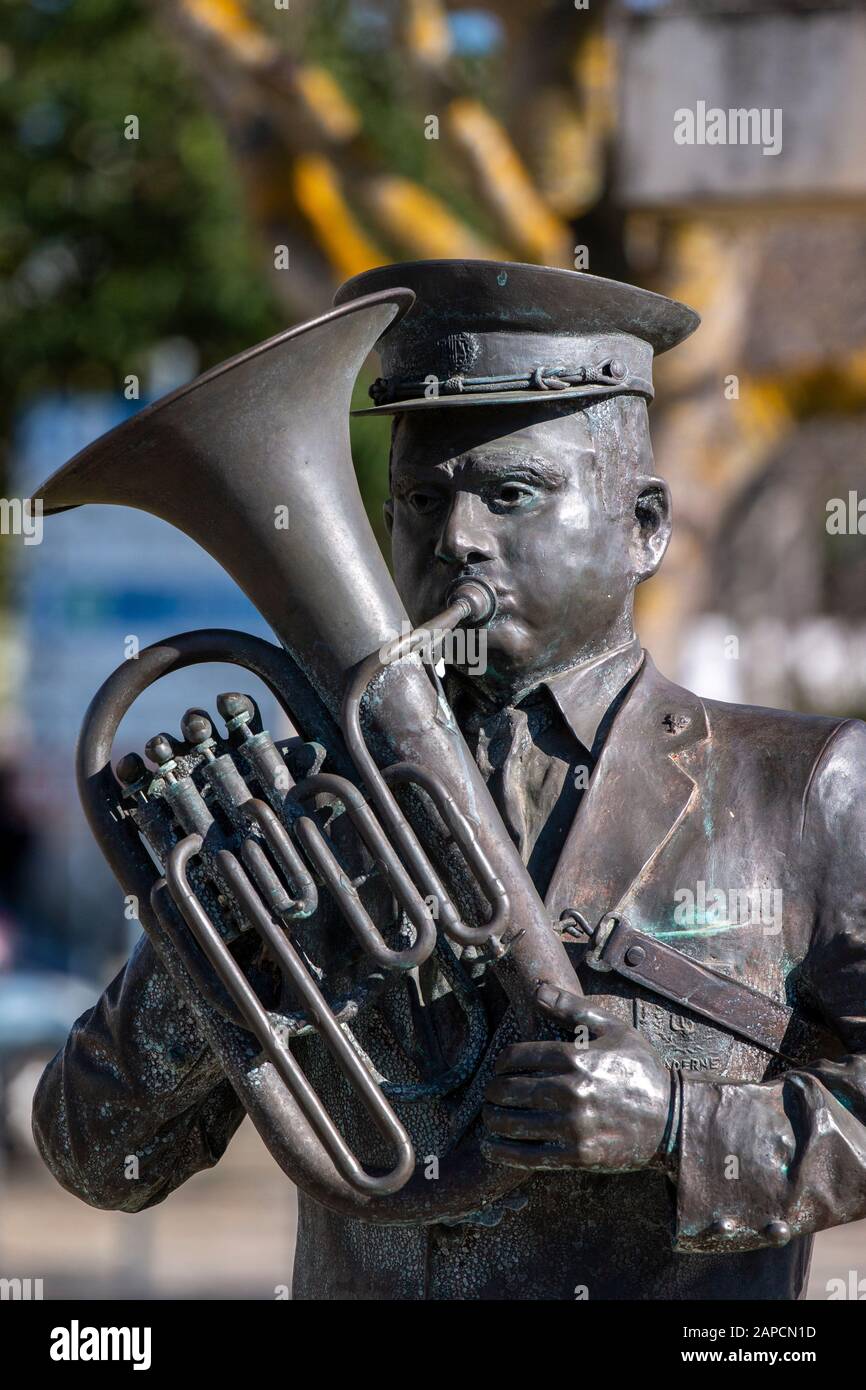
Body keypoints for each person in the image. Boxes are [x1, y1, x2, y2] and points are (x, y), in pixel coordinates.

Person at [33, 261, 866, 1299]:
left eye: (510, 494)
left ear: (643, 526)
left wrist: (676, 1123)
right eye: (419, 499)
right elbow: (94, 1153)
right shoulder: (312, 812)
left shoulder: (804, 786)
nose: (455, 537)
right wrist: (206, 943)